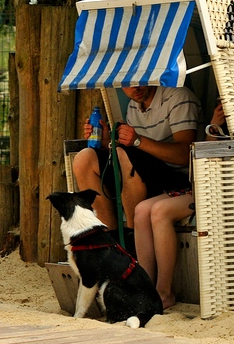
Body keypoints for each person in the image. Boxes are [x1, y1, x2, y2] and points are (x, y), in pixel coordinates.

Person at [72, 85, 200, 244]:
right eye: (127, 82)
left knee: (124, 154)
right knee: (84, 159)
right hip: (146, 176)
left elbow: (185, 155)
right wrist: (107, 142)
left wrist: (138, 141)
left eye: (139, 79)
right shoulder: (133, 106)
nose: (135, 87)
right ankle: (108, 242)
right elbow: (134, 152)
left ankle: (132, 241)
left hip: (179, 178)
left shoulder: (179, 97)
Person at [133, 100, 227, 309]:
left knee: (160, 211)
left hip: (215, 189)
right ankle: (145, 289)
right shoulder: (218, 121)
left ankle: (164, 292)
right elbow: (203, 156)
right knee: (141, 210)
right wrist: (214, 125)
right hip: (196, 184)